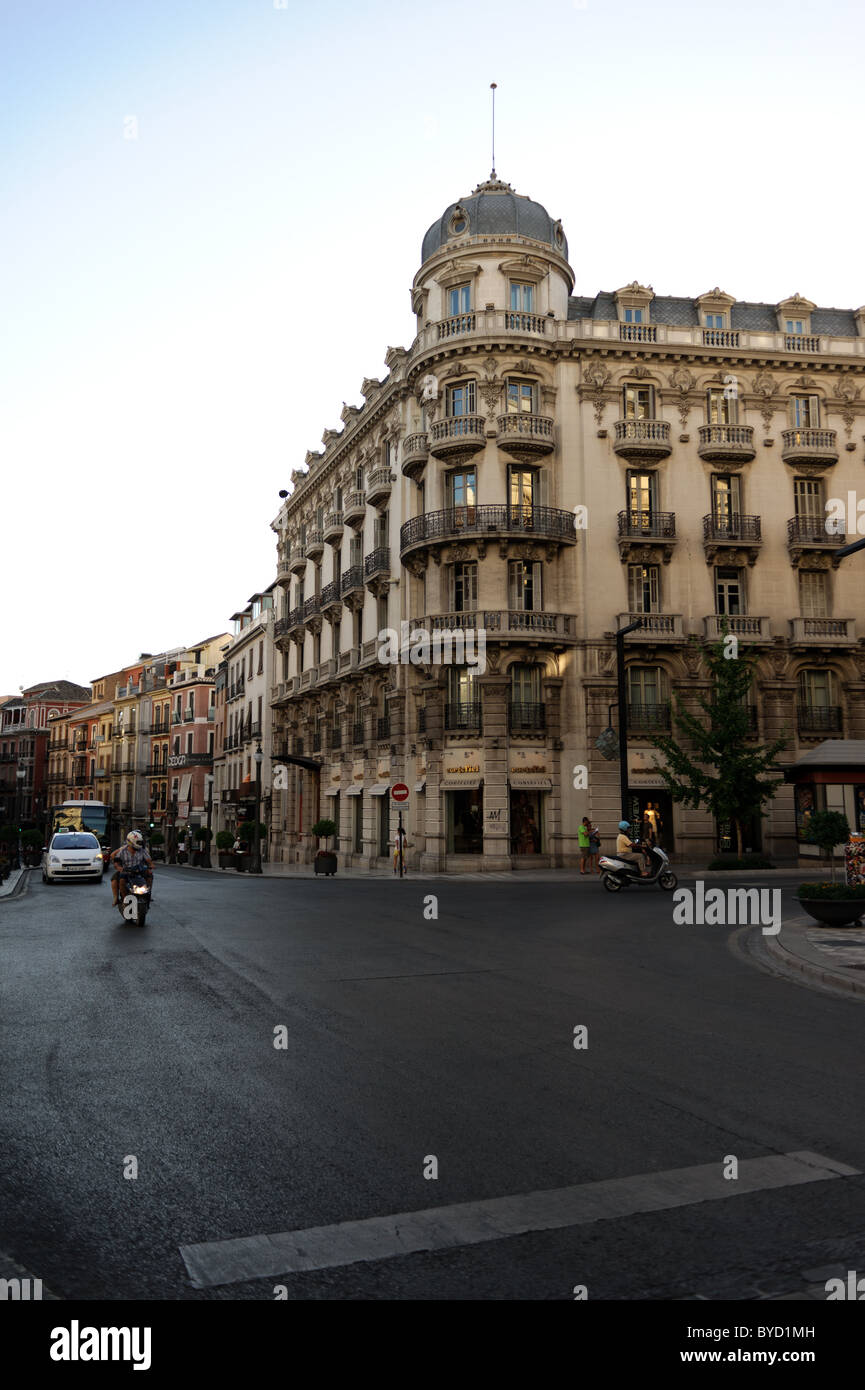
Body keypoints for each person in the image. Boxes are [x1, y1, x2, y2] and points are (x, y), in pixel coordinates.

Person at [111, 831, 154, 912]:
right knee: (120, 880)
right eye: (138, 842)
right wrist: (119, 868)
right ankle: (123, 899)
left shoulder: (142, 850)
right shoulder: (122, 850)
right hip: (126, 871)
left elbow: (149, 860)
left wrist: (150, 865)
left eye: (141, 842)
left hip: (139, 871)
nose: (140, 843)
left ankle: (148, 895)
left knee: (150, 875)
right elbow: (115, 860)